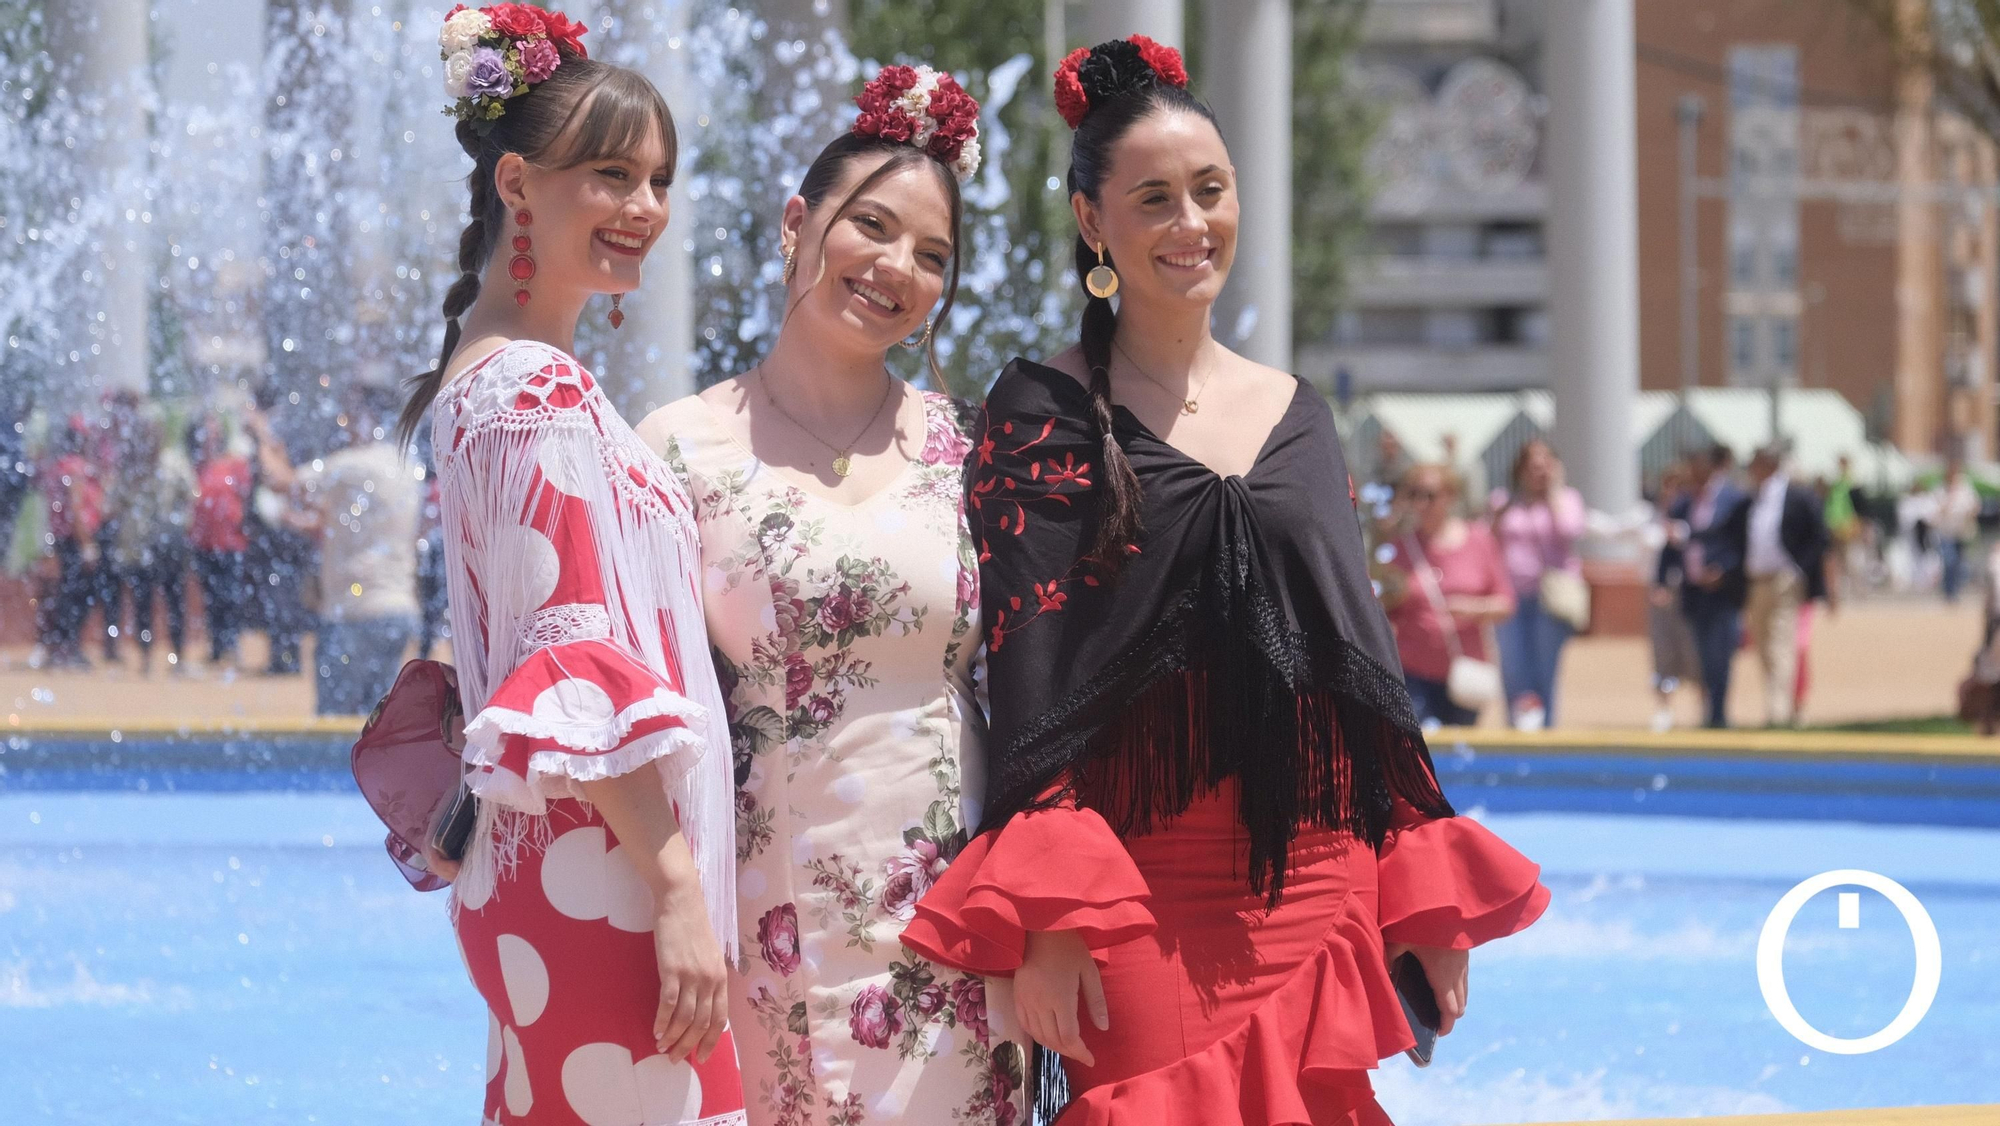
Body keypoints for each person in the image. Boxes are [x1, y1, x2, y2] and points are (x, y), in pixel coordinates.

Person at [901, 38, 1548, 1125]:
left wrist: (1416, 891)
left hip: (1312, 872)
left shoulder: (1297, 412)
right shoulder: (1042, 407)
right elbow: (1032, 667)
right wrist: (1052, 917)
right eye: (1152, 199)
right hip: (1133, 882)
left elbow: (1357, 663)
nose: (1190, 224)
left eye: (1209, 190)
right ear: (1090, 221)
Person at [638, 65, 1028, 1125]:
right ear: (796, 223)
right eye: (870, 226)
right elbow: (630, 695)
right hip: (772, 918)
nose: (896, 267)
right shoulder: (675, 448)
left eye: (932, 255)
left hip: (959, 924)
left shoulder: (970, 446)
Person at [398, 8, 745, 1122]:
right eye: (609, 174)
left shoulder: (500, 376)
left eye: (656, 180)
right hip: (603, 879)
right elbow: (571, 654)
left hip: (563, 874)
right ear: (517, 184)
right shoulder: (535, 393)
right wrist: (678, 887)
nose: (643, 208)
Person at [264, 387, 422, 714]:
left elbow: (280, 480)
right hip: (397, 609)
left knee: (332, 727)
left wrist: (260, 430)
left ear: (368, 419)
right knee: (376, 726)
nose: (344, 423)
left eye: (349, 415)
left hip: (356, 611)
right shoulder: (406, 466)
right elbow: (355, 523)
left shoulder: (354, 465)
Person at [1378, 462, 1514, 727]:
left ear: (1450, 497)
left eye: (1429, 495)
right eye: (1414, 495)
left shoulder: (1479, 541)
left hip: (1464, 673)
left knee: (1459, 754)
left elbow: (1506, 603)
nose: (1421, 503)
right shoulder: (1398, 549)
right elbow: (1383, 608)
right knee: (1420, 750)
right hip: (1413, 673)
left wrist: (1473, 609)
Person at [1726, 445, 1832, 727]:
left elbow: (1820, 535)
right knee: (1761, 644)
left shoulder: (1797, 496)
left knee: (1781, 644)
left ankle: (1778, 711)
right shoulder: (1751, 500)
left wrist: (1800, 569)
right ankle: (1776, 705)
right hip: (1756, 581)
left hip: (1785, 580)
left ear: (1769, 465)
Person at [1489, 438, 1586, 729]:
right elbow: (1488, 540)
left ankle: (1545, 732)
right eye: (1532, 466)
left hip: (1549, 599)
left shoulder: (1567, 499)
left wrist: (1554, 491)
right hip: (1511, 597)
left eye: (1545, 466)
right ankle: (1516, 729)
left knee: (1545, 670)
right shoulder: (1502, 501)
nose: (1538, 472)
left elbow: (1570, 531)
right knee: (1513, 668)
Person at [107, 407, 197, 673]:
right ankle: (145, 658)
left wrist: (178, 525)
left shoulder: (175, 463)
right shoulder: (129, 467)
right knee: (142, 606)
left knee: (175, 603)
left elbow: (191, 496)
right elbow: (113, 503)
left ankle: (178, 657)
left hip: (168, 547)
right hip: (137, 548)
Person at [1679, 444, 1747, 728]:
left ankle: (1719, 713)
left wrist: (1724, 570)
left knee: (1722, 653)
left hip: (1722, 589)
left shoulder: (1733, 499)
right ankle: (1709, 709)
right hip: (1694, 589)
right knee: (1703, 656)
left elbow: (1741, 541)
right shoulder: (1685, 501)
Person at [39, 417, 104, 669]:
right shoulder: (75, 468)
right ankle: (68, 647)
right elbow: (76, 509)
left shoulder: (58, 467)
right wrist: (87, 544)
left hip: (63, 538)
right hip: (76, 539)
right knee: (78, 594)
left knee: (68, 592)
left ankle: (61, 647)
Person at [189, 414, 252, 670]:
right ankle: (217, 648)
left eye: (213, 433)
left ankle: (232, 646)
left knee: (231, 597)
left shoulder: (235, 465)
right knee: (212, 598)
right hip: (205, 544)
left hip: (231, 543)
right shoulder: (197, 467)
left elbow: (247, 498)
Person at [1648, 460, 1701, 730]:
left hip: (1691, 596)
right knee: (1663, 655)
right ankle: (1664, 708)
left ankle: (1703, 708)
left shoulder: (1693, 521)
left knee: (1694, 654)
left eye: (1678, 488)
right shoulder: (1651, 519)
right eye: (1667, 488)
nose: (1671, 494)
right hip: (1661, 597)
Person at [1934, 457, 1980, 602]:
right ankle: (1949, 592)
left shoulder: (1965, 489)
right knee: (1949, 561)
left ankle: (1955, 590)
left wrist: (1969, 514)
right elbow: (1936, 511)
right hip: (1947, 532)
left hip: (1962, 532)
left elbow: (1975, 506)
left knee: (1960, 564)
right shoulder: (1941, 490)